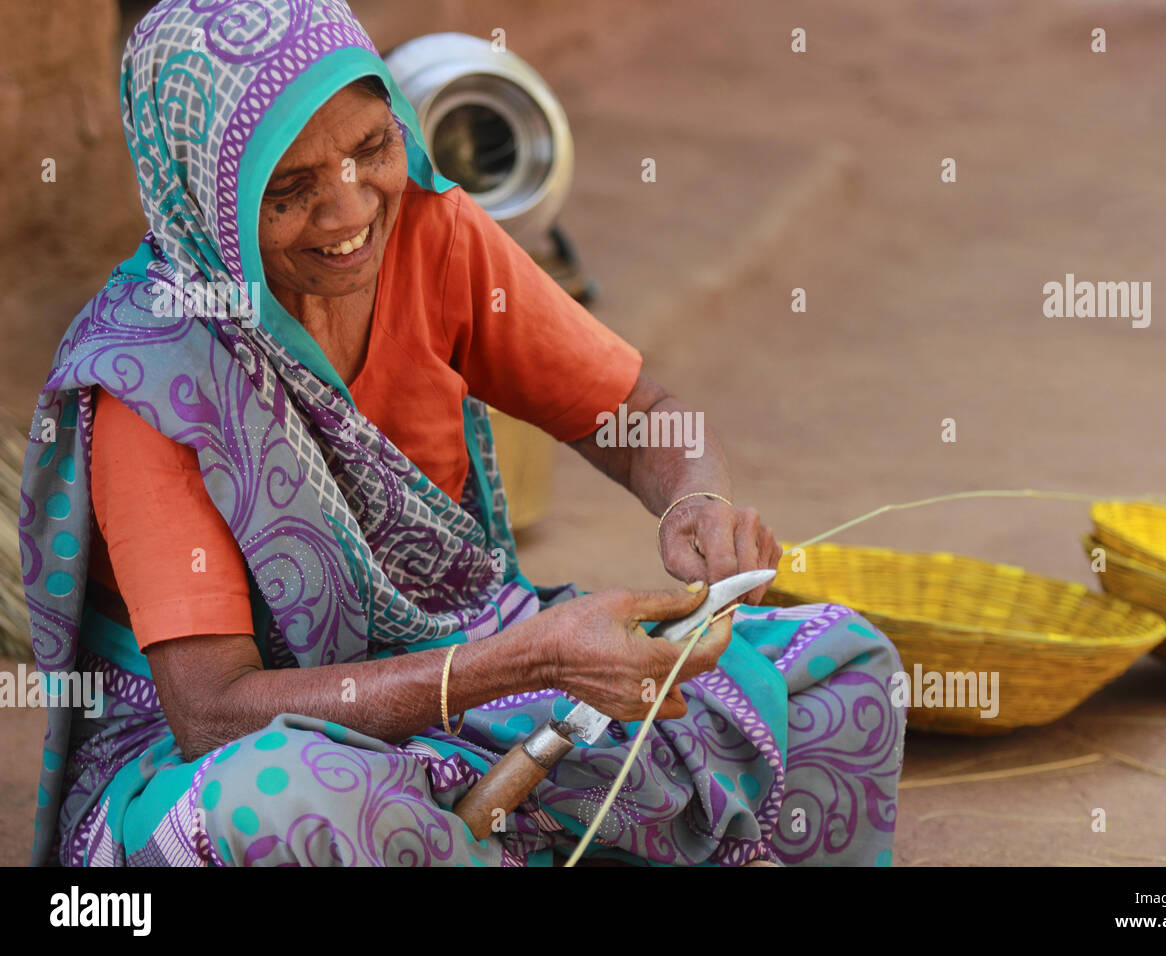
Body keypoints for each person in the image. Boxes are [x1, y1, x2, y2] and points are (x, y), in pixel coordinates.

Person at [21, 0, 904, 867]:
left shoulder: (431, 238)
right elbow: (214, 711)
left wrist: (694, 498)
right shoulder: (151, 378)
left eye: (373, 148)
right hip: (257, 751)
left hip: (485, 671)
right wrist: (519, 665)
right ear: (202, 202)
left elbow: (641, 418)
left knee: (844, 667)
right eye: (290, 191)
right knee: (295, 808)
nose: (349, 212)